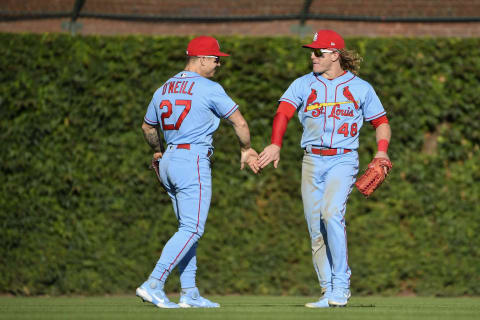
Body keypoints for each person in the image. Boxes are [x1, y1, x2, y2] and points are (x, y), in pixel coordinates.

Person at [258, 30, 391, 308]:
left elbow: (381, 122)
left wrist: (381, 152)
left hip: (343, 159)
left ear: (334, 55)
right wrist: (275, 144)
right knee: (315, 227)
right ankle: (327, 289)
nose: (312, 55)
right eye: (312, 51)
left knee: (331, 214)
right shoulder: (303, 84)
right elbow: (283, 112)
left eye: (318, 52)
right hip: (311, 159)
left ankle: (341, 286)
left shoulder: (361, 88)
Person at [138, 36, 259, 308]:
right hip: (192, 159)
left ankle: (189, 292)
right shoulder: (209, 88)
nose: (218, 64)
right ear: (202, 59)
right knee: (193, 228)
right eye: (216, 59)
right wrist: (246, 148)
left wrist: (158, 151)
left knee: (186, 228)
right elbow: (239, 122)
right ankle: (153, 283)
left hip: (169, 158)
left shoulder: (164, 88)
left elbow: (148, 128)